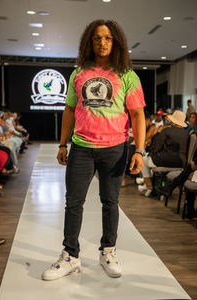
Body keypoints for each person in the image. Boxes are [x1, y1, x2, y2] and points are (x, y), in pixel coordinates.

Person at [42, 19, 146, 281]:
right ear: (90, 41)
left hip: (115, 149)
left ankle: (108, 251)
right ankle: (70, 256)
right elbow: (68, 110)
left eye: (109, 38)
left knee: (110, 202)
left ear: (116, 42)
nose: (103, 42)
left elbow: (137, 114)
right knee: (73, 203)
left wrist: (139, 151)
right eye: (98, 38)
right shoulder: (79, 74)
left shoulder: (127, 75)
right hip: (82, 148)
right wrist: (63, 143)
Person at [137, 110, 189, 197]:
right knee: (148, 159)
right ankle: (146, 184)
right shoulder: (186, 133)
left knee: (143, 158)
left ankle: (148, 184)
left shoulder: (166, 130)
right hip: (181, 163)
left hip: (164, 161)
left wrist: (157, 132)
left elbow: (157, 146)